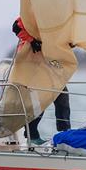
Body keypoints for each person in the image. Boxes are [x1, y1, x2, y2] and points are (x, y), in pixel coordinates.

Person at [13, 17, 71, 145]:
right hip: (32, 61)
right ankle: (31, 134)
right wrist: (32, 40)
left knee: (62, 95)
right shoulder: (34, 12)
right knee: (40, 98)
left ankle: (65, 133)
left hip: (48, 61)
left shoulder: (56, 15)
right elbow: (16, 27)